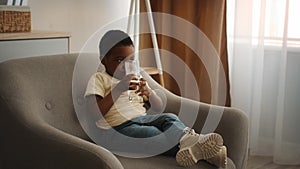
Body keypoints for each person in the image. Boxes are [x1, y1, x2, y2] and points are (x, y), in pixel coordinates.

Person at [84, 30, 227, 168]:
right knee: (153, 134)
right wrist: (119, 89)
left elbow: (158, 107)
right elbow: (93, 113)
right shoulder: (99, 79)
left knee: (169, 117)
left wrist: (149, 92)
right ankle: (202, 150)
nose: (125, 66)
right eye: (120, 60)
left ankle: (191, 142)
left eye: (131, 60)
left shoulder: (136, 78)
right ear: (104, 59)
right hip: (115, 130)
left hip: (142, 119)